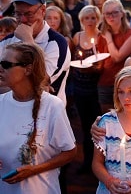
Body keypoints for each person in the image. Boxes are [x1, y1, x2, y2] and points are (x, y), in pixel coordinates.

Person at [0, 42, 77, 194]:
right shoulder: (1, 103)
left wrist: (34, 170)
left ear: (28, 69)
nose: (0, 68)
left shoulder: (53, 106)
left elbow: (70, 152)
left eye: (6, 64)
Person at [0, 0, 71, 104]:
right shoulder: (8, 40)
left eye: (29, 14)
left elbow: (41, 81)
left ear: (43, 11)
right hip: (13, 109)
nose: (22, 19)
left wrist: (28, 40)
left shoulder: (57, 43)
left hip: (46, 114)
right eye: (18, 14)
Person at [71, 5, 103, 174]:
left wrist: (94, 68)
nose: (90, 21)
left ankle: (98, 163)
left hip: (95, 90)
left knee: (97, 126)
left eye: (93, 18)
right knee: (84, 126)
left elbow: (103, 64)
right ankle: (86, 161)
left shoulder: (101, 38)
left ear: (98, 19)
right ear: (81, 20)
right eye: (86, 18)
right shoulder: (77, 37)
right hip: (79, 88)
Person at [97, 0, 131, 113]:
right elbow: (100, 59)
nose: (111, 16)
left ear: (122, 13)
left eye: (114, 12)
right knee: (107, 120)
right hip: (105, 82)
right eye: (107, 14)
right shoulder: (101, 35)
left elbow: (117, 57)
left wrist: (109, 37)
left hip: (125, 84)